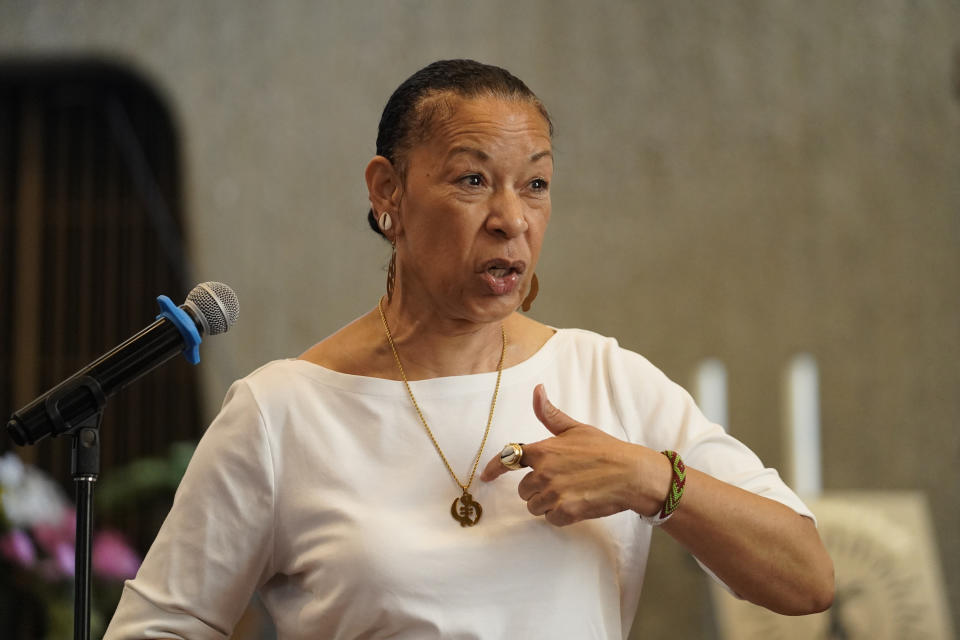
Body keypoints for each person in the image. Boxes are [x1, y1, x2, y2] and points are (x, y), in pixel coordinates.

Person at [104, 59, 834, 639]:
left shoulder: (607, 379)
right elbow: (159, 627)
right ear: (387, 191)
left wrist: (651, 480)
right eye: (473, 179)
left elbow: (806, 580)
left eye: (537, 184)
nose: (512, 219)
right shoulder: (280, 413)